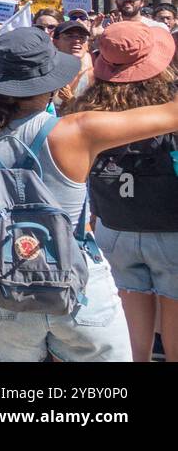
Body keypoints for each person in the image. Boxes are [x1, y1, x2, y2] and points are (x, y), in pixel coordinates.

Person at [0, 27, 178, 362]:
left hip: (3, 290)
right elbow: (172, 115)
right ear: (51, 81)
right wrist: (151, 59)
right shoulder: (78, 130)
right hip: (79, 289)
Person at [68, 22, 178, 362]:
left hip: (112, 226)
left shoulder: (85, 110)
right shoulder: (169, 106)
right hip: (170, 227)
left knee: (131, 335)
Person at [52, 19, 94, 108]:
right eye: (69, 36)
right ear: (55, 42)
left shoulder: (94, 76)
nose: (77, 41)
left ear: (88, 45)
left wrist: (70, 100)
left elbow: (98, 113)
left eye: (82, 37)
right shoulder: (46, 72)